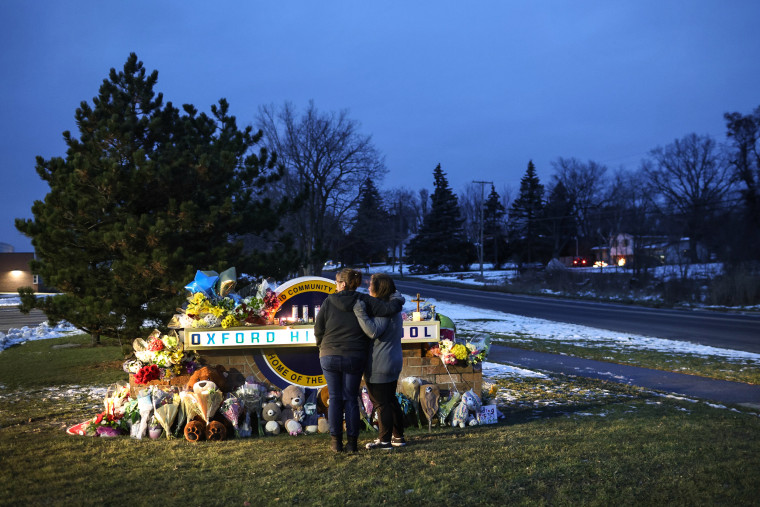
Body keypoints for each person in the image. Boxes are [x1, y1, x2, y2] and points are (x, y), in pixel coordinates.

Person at [314, 268, 403, 453]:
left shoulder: (329, 301)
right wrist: (398, 299)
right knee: (351, 399)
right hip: (354, 356)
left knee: (335, 398)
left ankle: (336, 443)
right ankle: (352, 444)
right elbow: (388, 309)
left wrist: (322, 347)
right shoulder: (363, 300)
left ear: (343, 284)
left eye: (337, 282)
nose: (336, 285)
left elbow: (318, 329)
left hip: (329, 355)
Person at [353, 273, 407, 450]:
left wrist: (360, 311)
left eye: (371, 286)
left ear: (380, 288)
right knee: (390, 400)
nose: (368, 289)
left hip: (380, 362)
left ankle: (384, 441)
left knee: (381, 403)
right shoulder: (393, 305)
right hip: (393, 359)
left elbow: (373, 331)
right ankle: (398, 437)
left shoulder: (384, 309)